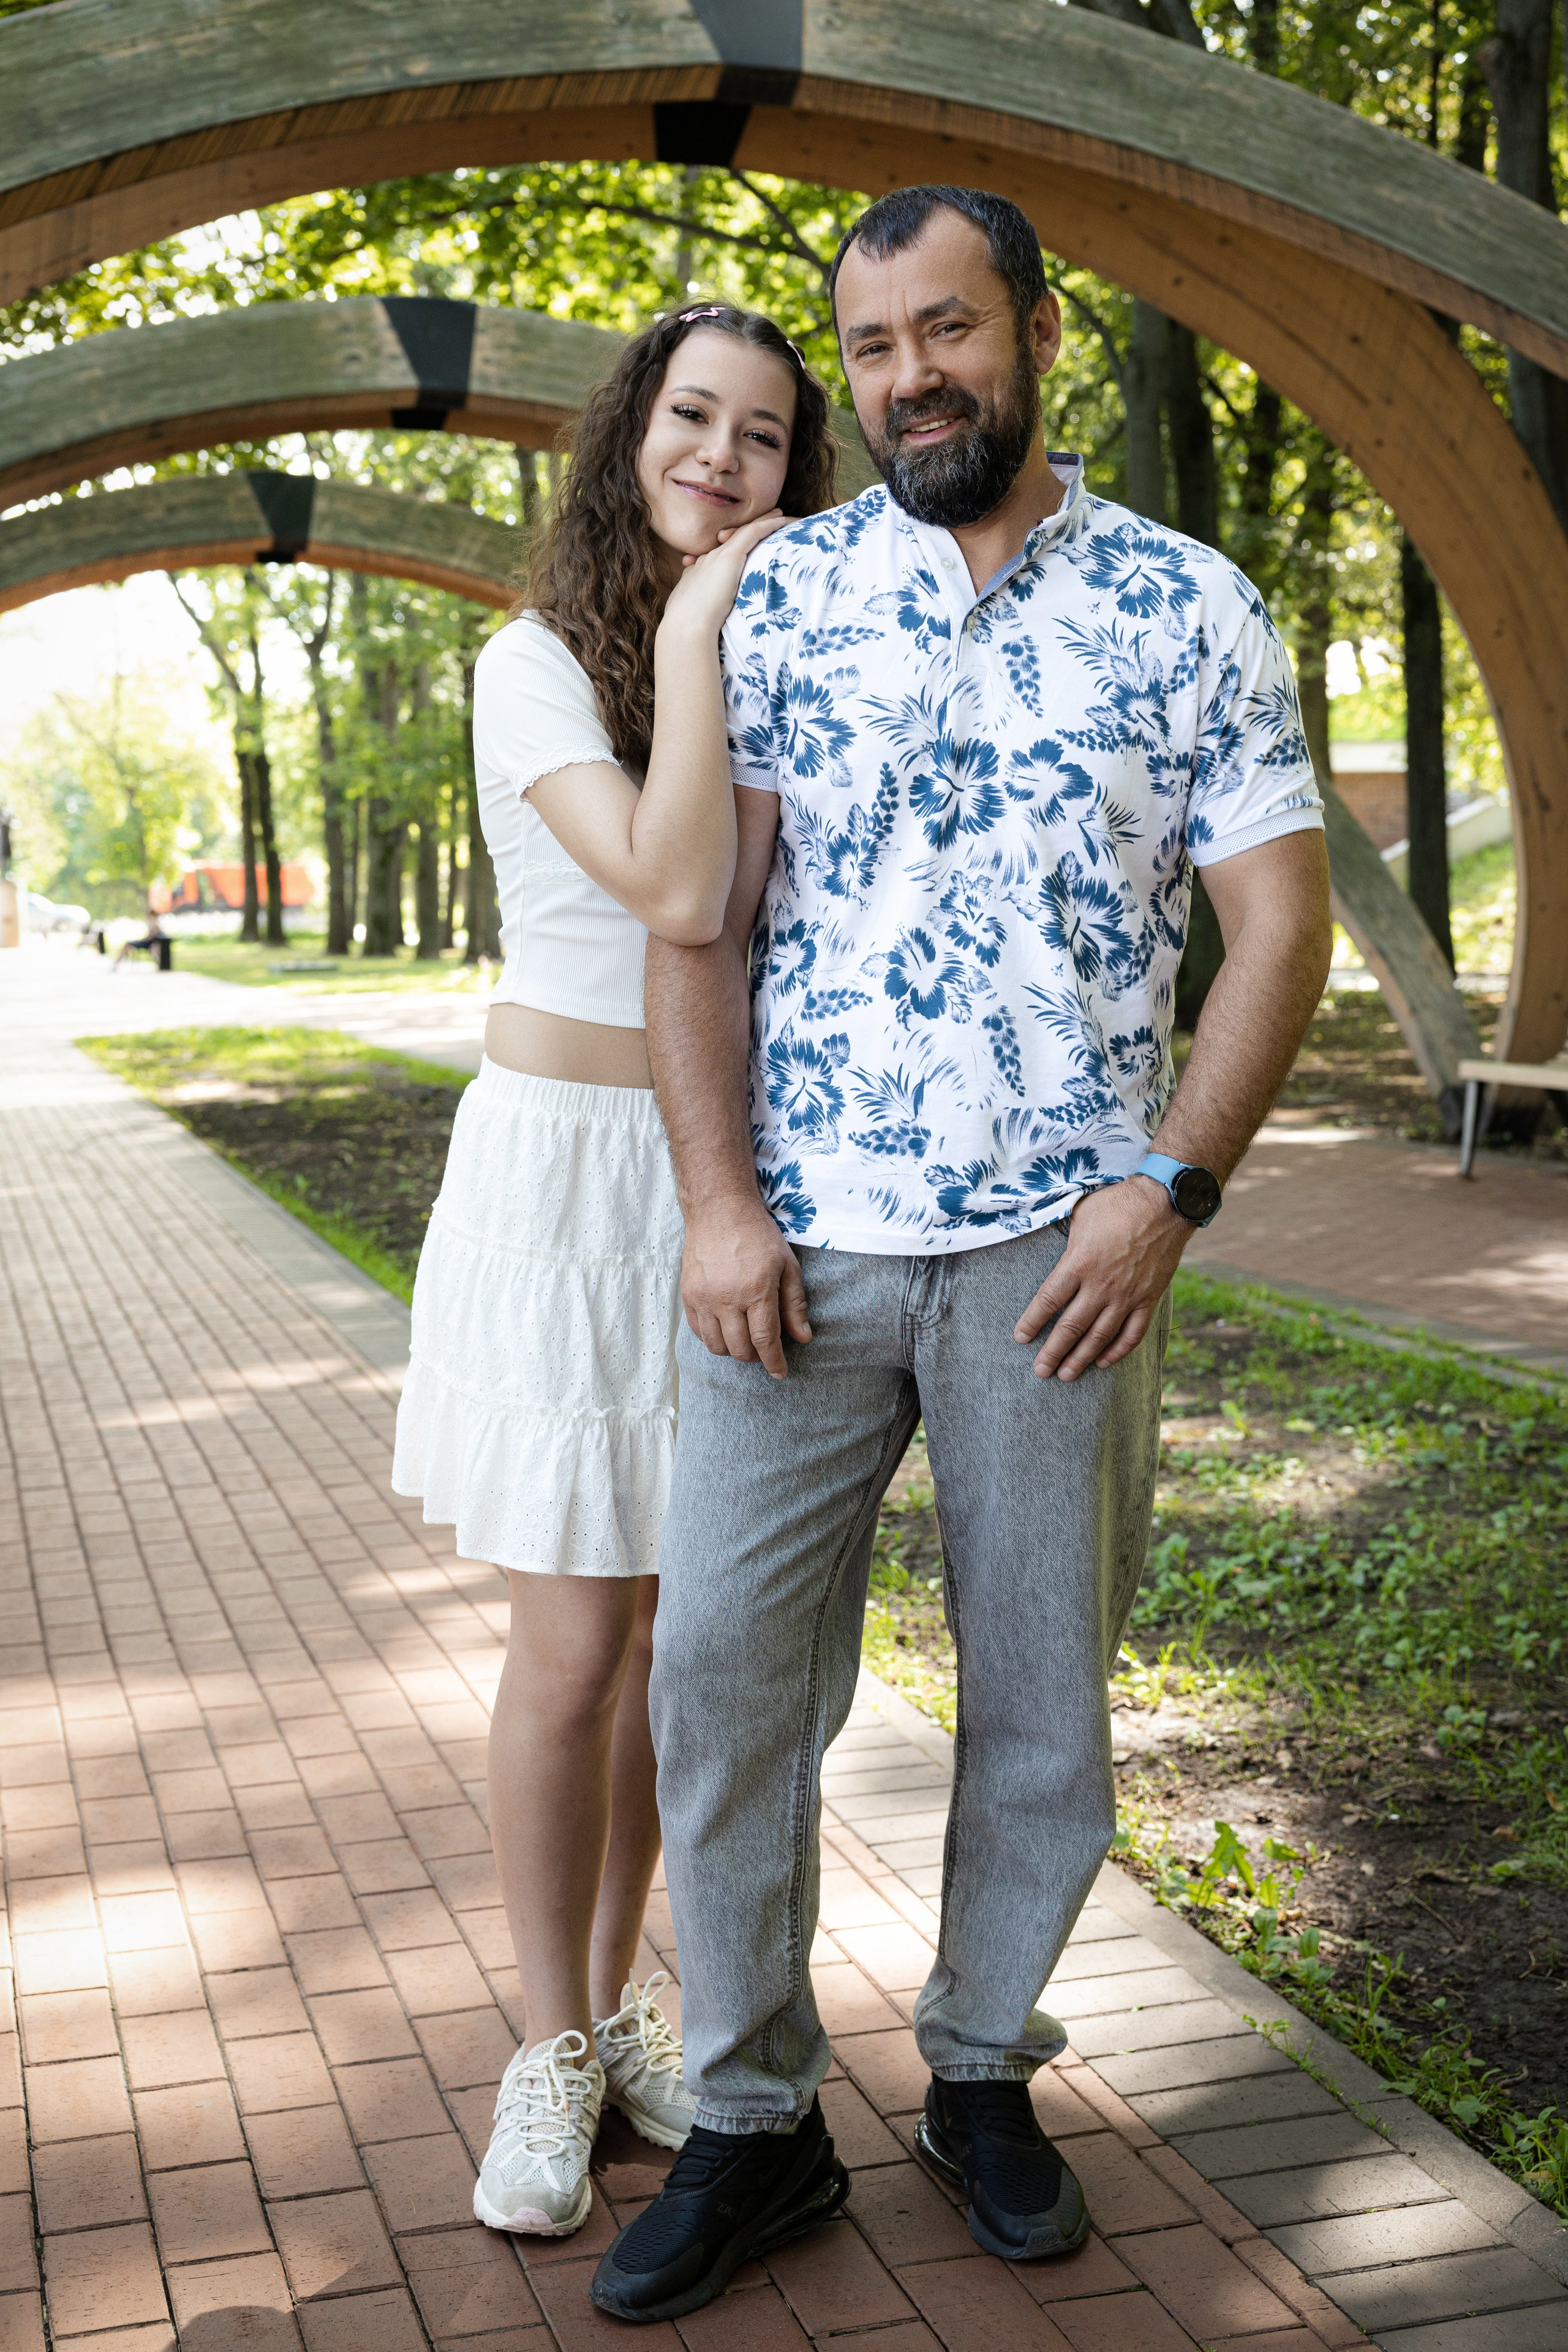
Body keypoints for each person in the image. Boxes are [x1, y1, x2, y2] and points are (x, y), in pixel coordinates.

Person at [591, 187, 1332, 2323]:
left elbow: (1272, 921)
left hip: (1062, 1265)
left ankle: (986, 2066)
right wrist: (718, 1203)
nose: (916, 373)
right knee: (717, 1677)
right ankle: (748, 2120)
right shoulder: (776, 600)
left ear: (1035, 331)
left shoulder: (1193, 607)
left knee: (1041, 1707)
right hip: (795, 1260)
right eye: (880, 345)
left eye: (952, 327)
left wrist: (1170, 1189)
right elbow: (696, 929)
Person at [391, 304, 838, 2239]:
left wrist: (727, 662)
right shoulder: (532, 665)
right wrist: (689, 642)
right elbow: (675, 894)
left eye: (760, 437)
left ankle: (634, 1996)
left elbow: (755, 906)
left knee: (681, 1658)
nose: (722, 460)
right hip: (560, 1189)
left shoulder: (763, 661)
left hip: (712, 1182)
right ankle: (549, 2042)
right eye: (692, 419)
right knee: (572, 1653)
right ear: (630, 435)